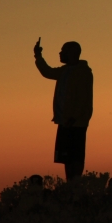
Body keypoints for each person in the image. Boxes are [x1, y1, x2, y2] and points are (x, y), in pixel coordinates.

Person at [33, 38, 93, 180]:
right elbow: (48, 72)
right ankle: (70, 184)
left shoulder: (83, 72)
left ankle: (75, 183)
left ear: (72, 53)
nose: (60, 53)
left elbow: (83, 98)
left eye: (63, 51)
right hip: (65, 121)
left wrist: (74, 117)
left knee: (76, 156)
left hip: (76, 122)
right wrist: (38, 56)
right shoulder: (65, 70)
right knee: (66, 156)